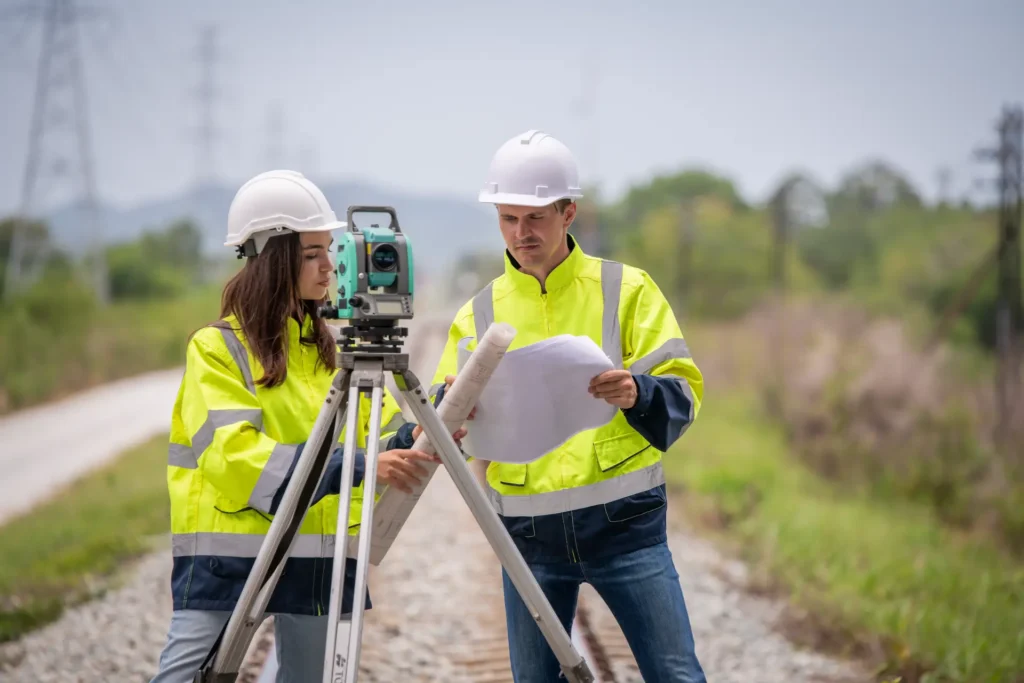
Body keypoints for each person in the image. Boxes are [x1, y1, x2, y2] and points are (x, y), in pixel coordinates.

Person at [151, 169, 459, 683]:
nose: (328, 267)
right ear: (273, 259)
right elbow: (236, 459)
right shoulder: (217, 348)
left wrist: (424, 427)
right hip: (231, 560)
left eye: (329, 251)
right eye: (311, 253)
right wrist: (361, 466)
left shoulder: (327, 351)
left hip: (319, 555)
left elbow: (371, 434)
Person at [430, 131, 707, 682]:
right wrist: (456, 415)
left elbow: (684, 391)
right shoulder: (478, 312)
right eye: (508, 219)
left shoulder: (627, 289)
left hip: (625, 524)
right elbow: (444, 413)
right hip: (528, 537)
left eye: (533, 218)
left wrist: (638, 392)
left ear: (568, 212)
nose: (520, 233)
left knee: (676, 675)